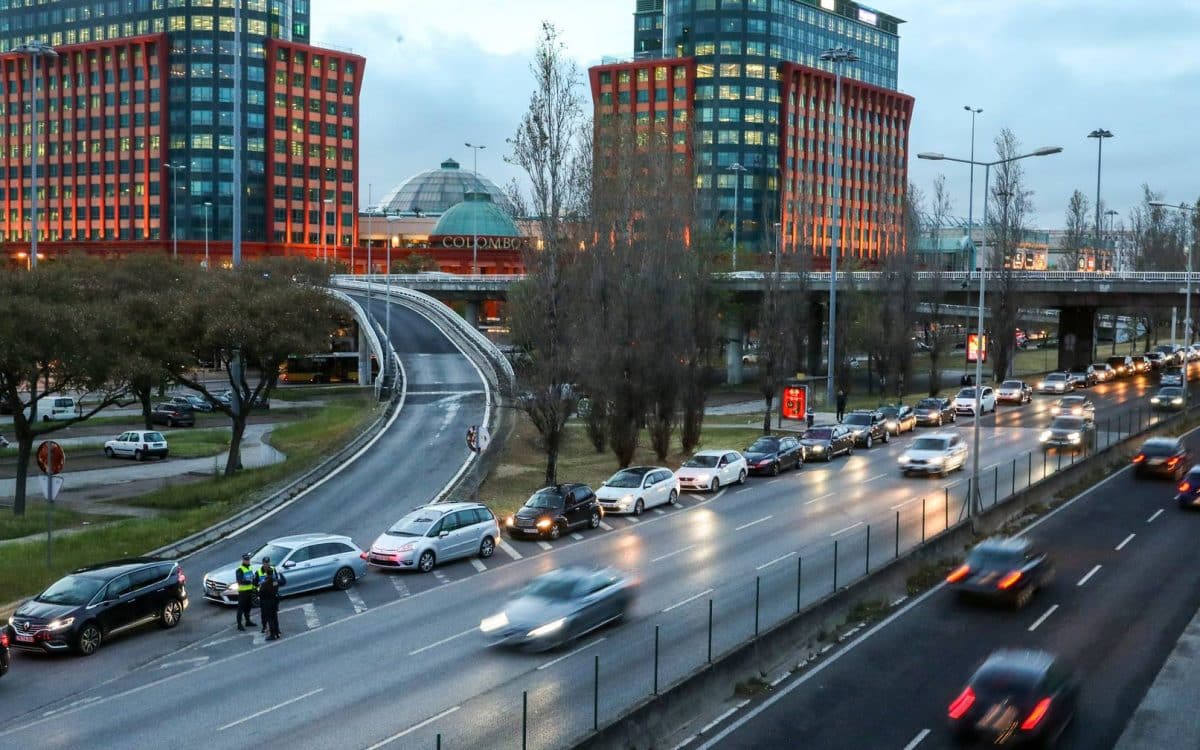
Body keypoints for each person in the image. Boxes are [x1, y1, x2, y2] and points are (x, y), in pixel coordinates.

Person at [257, 557, 286, 640]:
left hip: (267, 602)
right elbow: (283, 581)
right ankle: (277, 632)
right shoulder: (275, 581)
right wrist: (280, 574)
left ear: (266, 574)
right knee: (275, 617)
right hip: (275, 600)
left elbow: (260, 593)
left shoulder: (265, 584)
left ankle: (273, 634)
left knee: (270, 618)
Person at [234, 552, 257, 631]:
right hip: (243, 592)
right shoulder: (240, 569)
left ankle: (248, 621)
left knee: (248, 607)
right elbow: (239, 581)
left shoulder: (250, 568)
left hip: (249, 591)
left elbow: (252, 577)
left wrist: (254, 584)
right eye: (246, 560)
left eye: (248, 559)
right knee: (241, 608)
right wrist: (248, 581)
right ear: (243, 560)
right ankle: (239, 624)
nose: (247, 561)